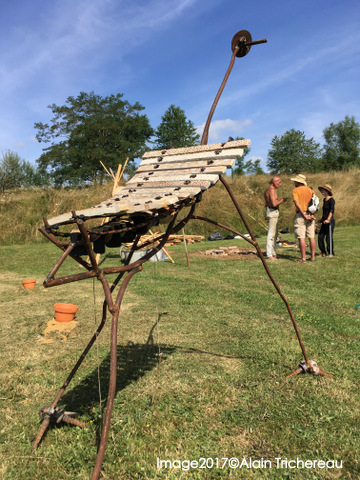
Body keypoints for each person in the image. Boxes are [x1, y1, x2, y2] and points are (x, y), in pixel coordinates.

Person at [291, 174, 316, 263]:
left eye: (295, 181)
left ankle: (303, 258)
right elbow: (315, 203)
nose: (294, 182)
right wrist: (312, 214)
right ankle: (312, 257)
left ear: (298, 182)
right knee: (311, 236)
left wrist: (303, 214)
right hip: (311, 214)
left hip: (301, 214)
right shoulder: (310, 190)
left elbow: (297, 203)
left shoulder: (296, 190)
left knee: (301, 237)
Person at [264, 176, 288, 260]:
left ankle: (273, 253)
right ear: (274, 182)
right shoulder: (271, 190)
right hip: (272, 212)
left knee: (275, 234)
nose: (280, 184)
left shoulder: (268, 189)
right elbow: (274, 204)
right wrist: (282, 200)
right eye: (279, 182)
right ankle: (269, 254)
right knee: (271, 234)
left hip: (270, 211)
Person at [318, 184, 335, 257]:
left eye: (323, 190)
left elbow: (331, 211)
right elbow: (324, 211)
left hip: (329, 221)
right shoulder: (324, 199)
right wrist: (321, 219)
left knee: (328, 237)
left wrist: (328, 219)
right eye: (321, 189)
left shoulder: (331, 200)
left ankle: (330, 253)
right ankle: (323, 252)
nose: (321, 191)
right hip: (324, 221)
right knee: (320, 237)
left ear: (327, 191)